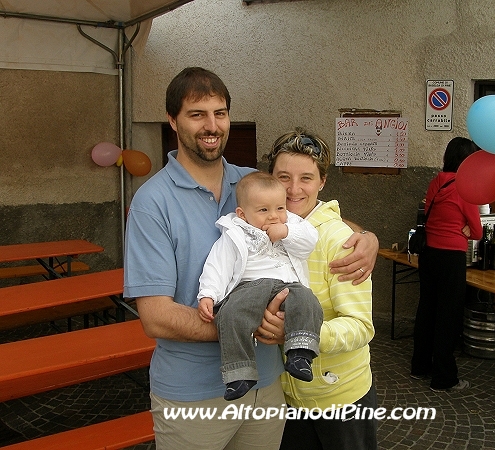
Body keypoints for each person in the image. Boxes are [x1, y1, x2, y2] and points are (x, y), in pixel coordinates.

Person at [123, 67, 378, 449]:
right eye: (197, 114)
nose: (212, 125)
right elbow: (156, 316)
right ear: (172, 120)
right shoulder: (152, 202)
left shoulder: (250, 183)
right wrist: (249, 328)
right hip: (196, 393)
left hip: (269, 384)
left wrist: (366, 237)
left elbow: (311, 213)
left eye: (220, 113)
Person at [262, 128, 377, 450]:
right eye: (283, 176)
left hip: (340, 398)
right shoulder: (262, 234)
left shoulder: (339, 241)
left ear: (323, 181)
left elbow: (360, 326)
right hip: (285, 397)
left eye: (306, 178)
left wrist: (298, 334)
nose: (294, 189)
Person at [197, 171, 324, 401]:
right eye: (264, 210)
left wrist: (286, 232)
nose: (274, 216)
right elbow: (218, 264)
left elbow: (309, 241)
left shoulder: (291, 224)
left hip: (288, 284)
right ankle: (239, 372)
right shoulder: (235, 233)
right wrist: (208, 294)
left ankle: (300, 354)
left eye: (279, 208)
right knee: (231, 314)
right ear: (242, 214)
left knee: (308, 301)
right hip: (251, 287)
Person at [410, 137, 483, 392]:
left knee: (427, 309)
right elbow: (477, 231)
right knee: (448, 316)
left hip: (429, 253)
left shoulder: (436, 183)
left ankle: (420, 366)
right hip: (451, 256)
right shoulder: (466, 188)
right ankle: (444, 377)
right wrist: (463, 229)